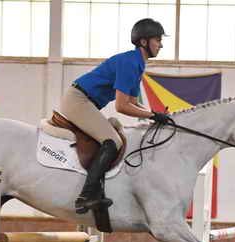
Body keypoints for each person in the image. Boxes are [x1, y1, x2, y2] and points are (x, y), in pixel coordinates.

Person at [60, 18, 171, 214]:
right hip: (78, 100)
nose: (161, 44)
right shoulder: (130, 62)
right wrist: (153, 116)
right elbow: (122, 106)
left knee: (115, 133)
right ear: (144, 41)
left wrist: (155, 114)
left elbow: (133, 102)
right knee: (112, 141)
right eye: (157, 40)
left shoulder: (137, 63)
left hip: (86, 101)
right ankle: (86, 196)